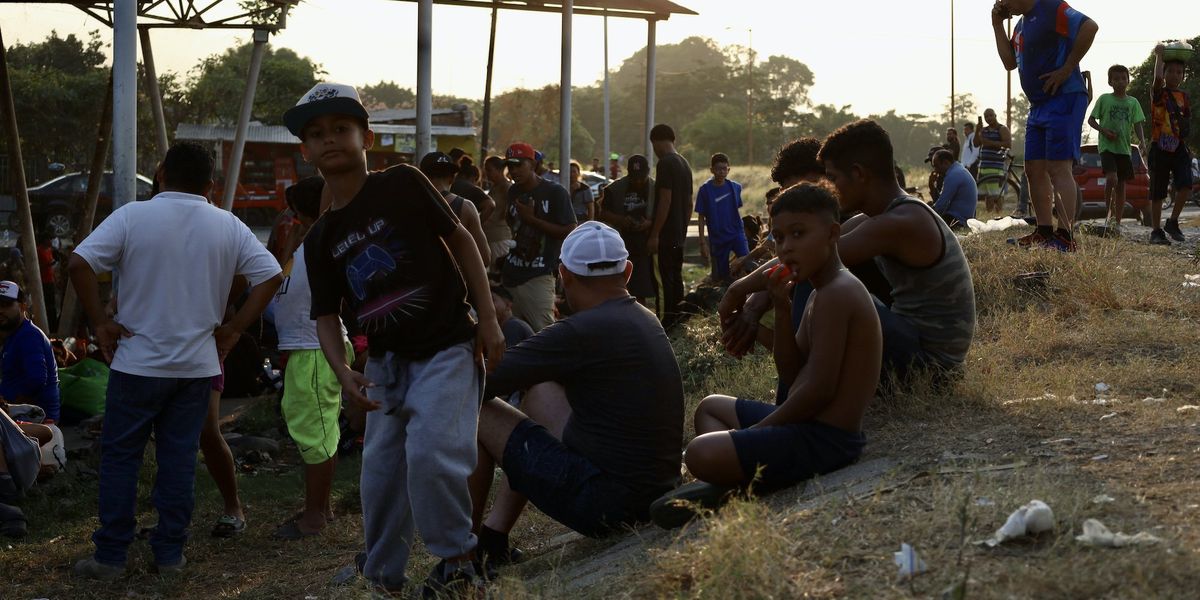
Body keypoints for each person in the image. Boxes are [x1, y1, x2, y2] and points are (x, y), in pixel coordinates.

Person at [286, 82, 504, 596]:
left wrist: (489, 317)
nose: (330, 140)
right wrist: (343, 372)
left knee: (433, 453)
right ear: (306, 150)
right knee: (379, 479)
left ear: (366, 135)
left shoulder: (403, 183)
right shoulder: (319, 238)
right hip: (384, 366)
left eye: (341, 128)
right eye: (317, 134)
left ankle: (458, 562)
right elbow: (324, 316)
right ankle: (381, 579)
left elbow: (463, 241)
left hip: (448, 345)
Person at [68, 142, 283, 580]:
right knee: (180, 459)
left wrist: (99, 323)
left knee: (121, 459)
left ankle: (110, 557)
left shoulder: (132, 216)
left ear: (161, 171)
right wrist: (235, 328)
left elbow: (79, 263)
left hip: (137, 365)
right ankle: (169, 555)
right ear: (210, 185)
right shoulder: (229, 225)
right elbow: (271, 276)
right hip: (196, 369)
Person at [651, 183, 881, 526]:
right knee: (710, 407)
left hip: (829, 441)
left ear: (833, 234)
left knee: (700, 452)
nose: (786, 247)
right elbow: (792, 373)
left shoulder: (839, 292)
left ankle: (734, 484)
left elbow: (819, 390)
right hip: (806, 427)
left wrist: (757, 431)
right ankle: (739, 481)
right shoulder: (820, 291)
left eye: (798, 234)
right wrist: (782, 308)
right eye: (779, 237)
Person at [469, 222, 683, 568]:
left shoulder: (582, 330)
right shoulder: (642, 316)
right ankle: (494, 537)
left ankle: (463, 552)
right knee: (542, 390)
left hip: (607, 506)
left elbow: (480, 381)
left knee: (479, 409)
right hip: (653, 491)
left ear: (563, 275)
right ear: (627, 271)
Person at [720, 120, 976, 395]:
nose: (828, 188)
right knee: (817, 270)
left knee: (818, 273)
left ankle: (796, 398)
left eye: (832, 178)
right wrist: (748, 298)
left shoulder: (901, 221)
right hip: (913, 347)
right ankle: (800, 386)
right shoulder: (881, 216)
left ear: (858, 174)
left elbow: (811, 257)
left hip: (930, 369)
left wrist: (739, 289)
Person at [269, 176, 348, 540]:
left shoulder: (325, 237)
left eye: (293, 209)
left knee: (314, 431)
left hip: (315, 348)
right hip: (304, 347)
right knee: (317, 428)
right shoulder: (305, 244)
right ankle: (321, 506)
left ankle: (315, 515)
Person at [992, 0, 1098, 251]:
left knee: (1058, 167)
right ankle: (1044, 230)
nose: (1000, 2)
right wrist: (997, 25)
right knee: (1033, 169)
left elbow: (1090, 27)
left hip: (1065, 97)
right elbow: (1009, 63)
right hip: (1038, 105)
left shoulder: (1051, 7)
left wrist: (1066, 69)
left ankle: (1065, 236)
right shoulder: (1020, 25)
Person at [501, 142, 576, 331]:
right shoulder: (513, 191)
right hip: (512, 273)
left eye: (519, 165)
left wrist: (532, 220)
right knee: (513, 333)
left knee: (544, 333)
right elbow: (513, 224)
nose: (514, 170)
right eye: (510, 166)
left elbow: (570, 230)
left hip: (539, 274)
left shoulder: (554, 192)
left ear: (533, 164)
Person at [1087, 64, 1147, 233]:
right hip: (1107, 147)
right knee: (1112, 179)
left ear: (1128, 80)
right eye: (1116, 79)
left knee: (1121, 185)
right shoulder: (1105, 99)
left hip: (1124, 149)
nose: (1120, 82)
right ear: (1110, 82)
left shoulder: (1132, 102)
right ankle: (1109, 214)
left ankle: (1117, 222)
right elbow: (1091, 120)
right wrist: (1103, 131)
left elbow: (1138, 124)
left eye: (1123, 78)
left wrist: (1142, 141)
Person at [647, 124, 694, 327]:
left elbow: (665, 200)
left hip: (665, 234)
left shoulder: (665, 163)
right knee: (676, 276)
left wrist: (655, 234)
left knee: (662, 279)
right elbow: (689, 203)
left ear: (656, 142)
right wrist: (682, 227)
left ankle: (666, 320)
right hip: (678, 233)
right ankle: (678, 314)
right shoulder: (684, 163)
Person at [1147, 43, 1192, 245]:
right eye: (1171, 71)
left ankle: (1172, 222)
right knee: (1158, 191)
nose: (1175, 75)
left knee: (1186, 185)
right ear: (1164, 73)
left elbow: (1184, 123)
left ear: (1183, 76)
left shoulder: (1184, 97)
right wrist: (1159, 56)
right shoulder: (1159, 93)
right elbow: (1156, 79)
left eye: (1179, 72)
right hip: (1159, 147)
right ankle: (1156, 230)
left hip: (1178, 147)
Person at [0, 281, 60, 429]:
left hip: (36, 417)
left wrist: (6, 402)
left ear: (22, 306)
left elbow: (36, 380)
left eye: (6, 305)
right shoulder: (14, 335)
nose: (0, 310)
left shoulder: (29, 336)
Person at [599, 154, 657, 305]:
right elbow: (601, 212)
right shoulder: (615, 189)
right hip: (621, 242)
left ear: (648, 171)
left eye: (641, 177)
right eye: (634, 177)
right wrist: (621, 220)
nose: (638, 181)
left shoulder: (655, 189)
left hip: (645, 244)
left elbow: (665, 213)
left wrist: (649, 223)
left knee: (641, 288)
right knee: (621, 286)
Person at [421, 151, 491, 265]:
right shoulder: (466, 207)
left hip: (418, 280)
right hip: (454, 280)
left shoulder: (408, 204)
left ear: (423, 177)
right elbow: (485, 258)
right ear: (452, 178)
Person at [695, 153, 749, 285]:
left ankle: (748, 299)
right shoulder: (705, 190)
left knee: (747, 263)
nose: (722, 172)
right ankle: (724, 301)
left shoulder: (735, 188)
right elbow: (701, 217)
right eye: (718, 168)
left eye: (725, 168)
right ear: (712, 170)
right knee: (722, 276)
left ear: (729, 170)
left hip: (736, 233)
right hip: (718, 238)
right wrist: (702, 242)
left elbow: (737, 208)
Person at [975, 109, 1012, 214]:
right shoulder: (984, 130)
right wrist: (977, 130)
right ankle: (990, 214)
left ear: (995, 115)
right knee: (987, 194)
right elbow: (976, 144)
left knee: (996, 194)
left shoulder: (1002, 129)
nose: (989, 118)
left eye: (991, 115)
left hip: (996, 166)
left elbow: (1008, 144)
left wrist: (988, 143)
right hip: (983, 167)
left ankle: (998, 215)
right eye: (986, 116)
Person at [931, 149, 978, 229]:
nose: (936, 170)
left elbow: (941, 205)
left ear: (946, 163)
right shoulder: (958, 169)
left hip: (958, 220)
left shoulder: (953, 175)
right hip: (965, 218)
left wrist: (927, 212)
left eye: (937, 166)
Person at [482, 155, 515, 270]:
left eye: (489, 170)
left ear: (500, 170)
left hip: (500, 237)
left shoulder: (507, 187)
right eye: (486, 170)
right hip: (491, 236)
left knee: (498, 273)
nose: (486, 173)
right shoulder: (495, 187)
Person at [451, 157, 497, 224]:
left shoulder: (451, 185)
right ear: (474, 177)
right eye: (477, 181)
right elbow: (490, 205)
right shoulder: (472, 189)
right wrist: (477, 225)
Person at [35, 233, 58, 333]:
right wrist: (48, 265)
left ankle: (53, 325)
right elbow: (37, 266)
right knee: (46, 303)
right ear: (45, 240)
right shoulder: (38, 250)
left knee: (52, 304)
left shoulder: (49, 250)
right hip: (43, 280)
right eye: (49, 239)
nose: (51, 242)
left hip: (50, 279)